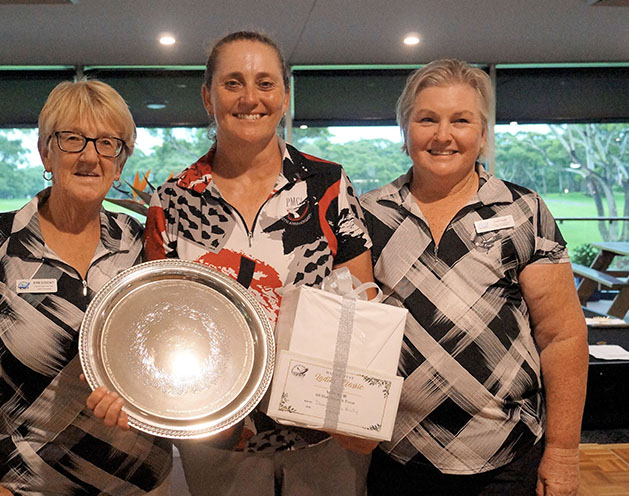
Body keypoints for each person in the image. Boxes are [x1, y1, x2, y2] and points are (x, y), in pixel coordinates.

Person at [89, 31, 377, 496]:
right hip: (218, 443)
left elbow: (362, 314)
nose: (249, 98)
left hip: (324, 439)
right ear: (208, 97)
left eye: (265, 83)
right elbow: (156, 323)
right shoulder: (173, 200)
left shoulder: (327, 184)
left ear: (284, 96)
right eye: (232, 83)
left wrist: (360, 417)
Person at [360, 59, 588, 496]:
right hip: (395, 456)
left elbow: (562, 336)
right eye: (427, 119)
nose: (443, 135)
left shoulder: (524, 211)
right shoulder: (369, 214)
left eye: (461, 120)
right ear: (405, 132)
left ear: (483, 134)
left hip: (506, 458)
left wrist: (563, 451)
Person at [0, 79, 172, 496]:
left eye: (108, 143)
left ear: (120, 163)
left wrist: (142, 391)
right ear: (45, 151)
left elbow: (167, 350)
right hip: (26, 484)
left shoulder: (142, 244)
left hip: (136, 482)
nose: (90, 156)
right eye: (72, 139)